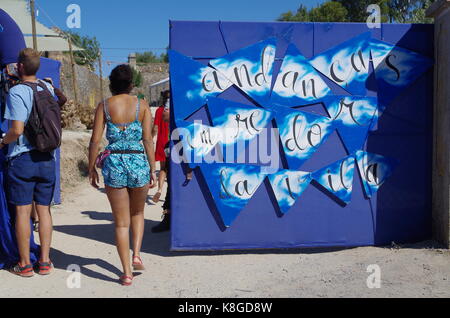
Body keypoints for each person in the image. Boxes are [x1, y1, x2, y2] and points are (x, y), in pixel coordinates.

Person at [88, 64, 157, 286]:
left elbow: (95, 141)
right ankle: (136, 254)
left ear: (111, 84)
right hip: (138, 162)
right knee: (138, 213)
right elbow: (147, 139)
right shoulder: (143, 105)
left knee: (120, 223)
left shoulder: (104, 106)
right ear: (131, 84)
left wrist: (91, 167)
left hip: (114, 163)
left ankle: (126, 272)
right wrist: (152, 169)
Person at [1, 48, 57, 277]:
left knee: (23, 213)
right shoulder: (49, 87)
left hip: (23, 158)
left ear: (20, 67)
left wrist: (3, 142)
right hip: (47, 158)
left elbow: (16, 129)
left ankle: (24, 265)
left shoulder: (16, 92)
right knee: (44, 211)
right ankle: (44, 262)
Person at [151, 103, 171, 233]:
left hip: (167, 144)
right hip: (167, 145)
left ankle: (168, 218)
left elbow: (155, 128)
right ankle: (168, 218)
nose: (163, 111)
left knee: (166, 170)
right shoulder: (161, 113)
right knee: (165, 169)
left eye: (166, 110)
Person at [151, 90, 170, 203]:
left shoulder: (159, 111)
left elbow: (155, 128)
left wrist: (150, 138)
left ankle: (159, 189)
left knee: (163, 169)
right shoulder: (176, 109)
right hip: (173, 141)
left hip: (162, 143)